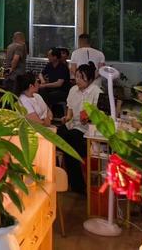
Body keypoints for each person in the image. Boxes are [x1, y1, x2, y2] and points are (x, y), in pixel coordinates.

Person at [57, 62, 102, 193]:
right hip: (72, 125)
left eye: (81, 78)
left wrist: (89, 118)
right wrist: (66, 118)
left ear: (90, 79)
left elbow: (100, 116)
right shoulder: (73, 90)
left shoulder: (97, 92)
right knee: (57, 135)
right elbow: (70, 113)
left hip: (86, 129)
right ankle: (73, 183)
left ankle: (71, 182)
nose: (77, 80)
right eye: (76, 76)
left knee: (70, 140)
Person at [38, 47, 70, 116]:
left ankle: (47, 114)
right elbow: (40, 74)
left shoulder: (63, 67)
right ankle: (44, 113)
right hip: (52, 89)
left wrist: (45, 85)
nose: (48, 57)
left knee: (46, 96)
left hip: (62, 91)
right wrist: (42, 80)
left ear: (55, 57)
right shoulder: (49, 65)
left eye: (49, 56)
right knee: (40, 91)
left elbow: (59, 83)